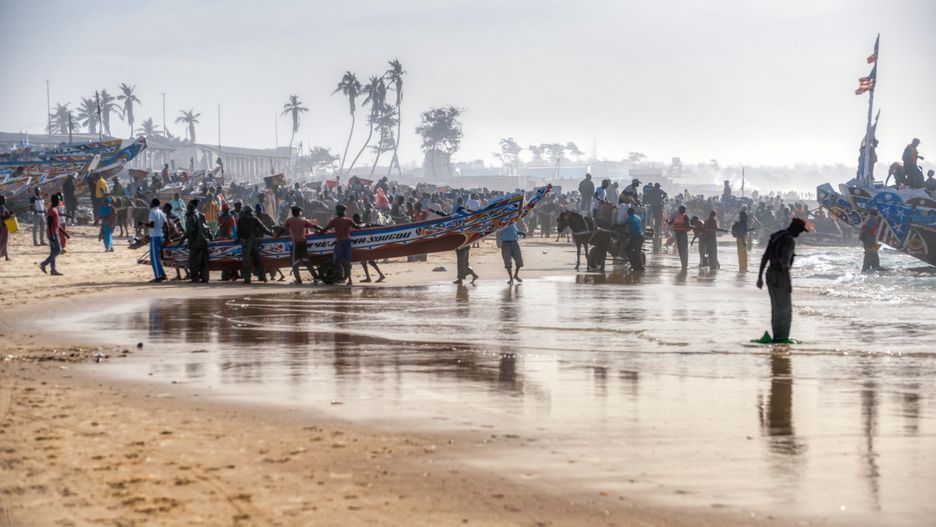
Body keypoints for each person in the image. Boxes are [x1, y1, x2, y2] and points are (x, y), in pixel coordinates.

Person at [757, 218, 811, 343]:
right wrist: (788, 282)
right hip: (780, 275)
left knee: (776, 307)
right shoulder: (789, 240)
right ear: (795, 228)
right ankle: (782, 338)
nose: (800, 234)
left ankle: (777, 335)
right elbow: (785, 262)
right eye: (800, 231)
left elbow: (765, 257)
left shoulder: (776, 236)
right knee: (785, 309)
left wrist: (759, 277)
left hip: (770, 273)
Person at [318, 204, 360, 285]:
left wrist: (318, 233)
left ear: (338, 211)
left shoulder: (335, 221)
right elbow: (357, 227)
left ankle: (341, 277)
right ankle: (349, 280)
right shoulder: (348, 220)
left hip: (340, 243)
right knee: (347, 262)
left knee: (336, 261)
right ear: (344, 212)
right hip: (348, 242)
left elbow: (325, 229)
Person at [236, 206, 274, 284]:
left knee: (246, 260)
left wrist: (238, 239)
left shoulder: (240, 220)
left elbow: (239, 233)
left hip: (246, 241)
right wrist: (272, 234)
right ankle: (263, 277)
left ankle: (247, 279)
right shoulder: (255, 219)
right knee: (257, 259)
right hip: (255, 240)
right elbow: (264, 228)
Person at [284, 206, 320, 284]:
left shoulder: (289, 220)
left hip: (296, 242)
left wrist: (276, 236)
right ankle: (316, 277)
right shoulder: (304, 220)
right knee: (306, 261)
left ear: (292, 212)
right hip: (303, 242)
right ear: (299, 213)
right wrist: (324, 230)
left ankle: (298, 280)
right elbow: (315, 226)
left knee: (294, 263)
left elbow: (283, 229)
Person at [139, 198, 168, 282]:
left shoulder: (152, 211)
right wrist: (166, 237)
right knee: (154, 257)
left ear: (153, 204)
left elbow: (152, 225)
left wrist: (143, 224)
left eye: (151, 203)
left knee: (154, 258)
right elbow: (166, 225)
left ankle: (159, 276)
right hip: (160, 236)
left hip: (154, 236)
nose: (150, 204)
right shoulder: (161, 212)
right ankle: (162, 274)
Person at [352, 213, 385, 283]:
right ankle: (370, 277)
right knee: (366, 261)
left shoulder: (361, 225)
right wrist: (384, 226)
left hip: (366, 246)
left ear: (355, 219)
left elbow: (362, 227)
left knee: (367, 261)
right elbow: (374, 225)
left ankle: (378, 275)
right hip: (367, 245)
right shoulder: (365, 224)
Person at [185, 199, 212, 283]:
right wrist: (211, 238)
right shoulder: (201, 215)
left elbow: (189, 231)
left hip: (195, 243)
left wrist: (181, 239)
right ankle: (205, 278)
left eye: (188, 205)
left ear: (191, 206)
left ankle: (195, 278)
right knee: (204, 261)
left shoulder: (191, 216)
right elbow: (208, 229)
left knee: (193, 261)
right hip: (204, 241)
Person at [39, 195, 64, 275]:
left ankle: (53, 270)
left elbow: (56, 223)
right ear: (54, 201)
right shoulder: (51, 210)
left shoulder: (54, 209)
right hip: (52, 233)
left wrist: (65, 233)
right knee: (58, 250)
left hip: (53, 232)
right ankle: (44, 263)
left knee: (53, 252)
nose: (59, 201)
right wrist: (52, 236)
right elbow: (49, 224)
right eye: (58, 200)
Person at [623, 207, 645, 271]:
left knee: (628, 250)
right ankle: (638, 266)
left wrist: (616, 225)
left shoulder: (630, 218)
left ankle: (635, 265)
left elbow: (624, 225)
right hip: (640, 236)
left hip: (636, 237)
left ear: (629, 212)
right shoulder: (638, 217)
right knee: (637, 251)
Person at [670, 205, 691, 270]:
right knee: (685, 249)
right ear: (684, 210)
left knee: (680, 250)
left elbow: (670, 223)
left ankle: (683, 265)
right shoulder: (685, 217)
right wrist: (690, 227)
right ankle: (685, 265)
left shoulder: (675, 217)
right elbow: (688, 227)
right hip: (683, 234)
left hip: (677, 235)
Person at [734, 206, 750, 272]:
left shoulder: (740, 223)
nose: (747, 217)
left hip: (740, 240)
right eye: (746, 216)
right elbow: (741, 234)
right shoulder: (743, 224)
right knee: (743, 254)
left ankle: (742, 268)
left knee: (741, 254)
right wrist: (744, 242)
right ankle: (743, 268)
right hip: (742, 240)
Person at [0, 195, 10, 262]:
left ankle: (6, 256)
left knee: (4, 242)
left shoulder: (3, 207)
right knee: (3, 242)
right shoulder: (1, 208)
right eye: (4, 199)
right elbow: (2, 218)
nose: (5, 200)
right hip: (2, 227)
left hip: (4, 226)